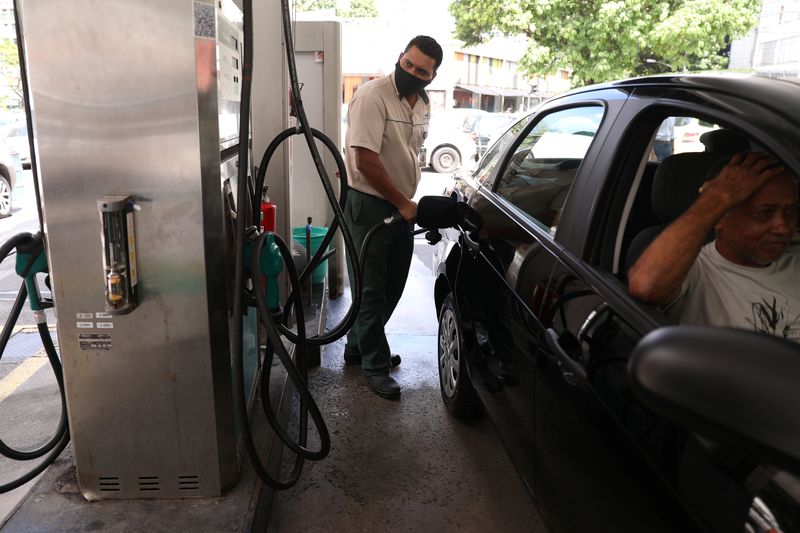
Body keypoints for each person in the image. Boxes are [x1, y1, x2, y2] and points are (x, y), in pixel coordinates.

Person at [342, 35, 443, 399]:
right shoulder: (373, 96)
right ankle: (374, 364)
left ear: (431, 76)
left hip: (400, 203)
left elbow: (409, 152)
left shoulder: (422, 103)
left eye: (421, 71)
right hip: (371, 204)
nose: (412, 73)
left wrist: (404, 202)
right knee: (370, 290)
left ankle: (358, 346)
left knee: (393, 284)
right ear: (399, 58)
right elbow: (365, 161)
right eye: (408, 65)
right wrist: (403, 203)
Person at [628, 152, 800, 341]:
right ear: (719, 217)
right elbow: (645, 285)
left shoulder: (795, 263)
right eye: (764, 213)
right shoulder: (696, 271)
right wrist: (717, 197)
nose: (783, 227)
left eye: (790, 211)